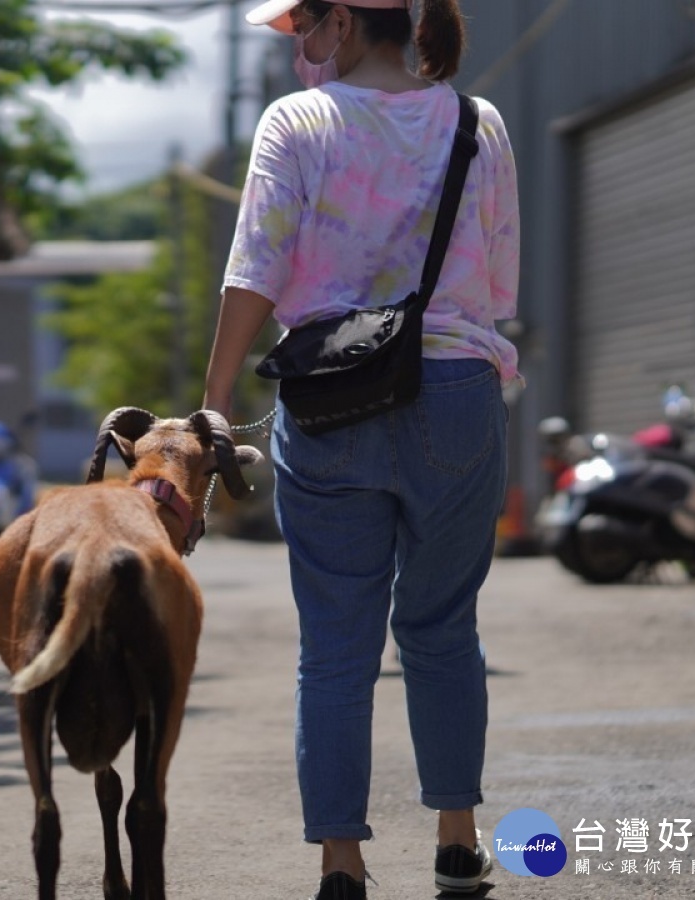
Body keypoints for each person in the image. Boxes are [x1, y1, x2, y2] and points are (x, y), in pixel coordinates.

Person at [201, 0, 520, 897]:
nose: (298, 47)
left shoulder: (297, 120)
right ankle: (457, 835)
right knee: (443, 625)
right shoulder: (475, 120)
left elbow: (256, 265)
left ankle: (342, 859)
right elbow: (498, 279)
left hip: (333, 396)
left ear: (341, 22)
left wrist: (217, 399)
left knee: (336, 644)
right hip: (457, 388)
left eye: (302, 26)